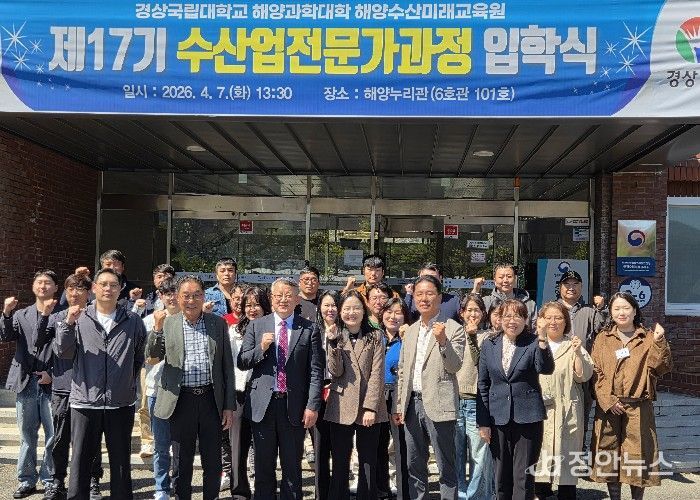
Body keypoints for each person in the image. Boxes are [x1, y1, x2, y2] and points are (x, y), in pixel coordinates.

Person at [55, 267, 147, 500]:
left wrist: (126, 381)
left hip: (120, 403)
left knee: (121, 461)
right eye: (103, 284)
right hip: (85, 402)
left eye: (113, 285)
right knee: (80, 461)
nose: (108, 289)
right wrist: (68, 324)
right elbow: (63, 353)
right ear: (94, 288)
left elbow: (138, 356)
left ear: (120, 289)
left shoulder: (133, 320)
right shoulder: (79, 317)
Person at [146, 275, 236, 500]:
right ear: (177, 297)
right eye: (186, 296)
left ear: (204, 297)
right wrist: (157, 330)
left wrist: (228, 406)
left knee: (212, 459)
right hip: (181, 399)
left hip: (210, 399)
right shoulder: (168, 323)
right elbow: (153, 357)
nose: (191, 300)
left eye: (196, 295)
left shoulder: (217, 323)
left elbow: (227, 367)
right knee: (182, 459)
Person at [238, 278, 324, 500]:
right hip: (263, 407)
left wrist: (312, 406)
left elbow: (316, 371)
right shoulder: (257, 325)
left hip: (293, 406)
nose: (283, 300)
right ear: (271, 298)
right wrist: (261, 347)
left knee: (292, 468)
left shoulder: (309, 329)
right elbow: (242, 361)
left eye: (288, 295)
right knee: (263, 467)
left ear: (297, 300)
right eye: (279, 295)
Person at [589, 292, 672, 500]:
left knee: (638, 455)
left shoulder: (647, 337)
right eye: (616, 308)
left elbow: (661, 368)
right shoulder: (603, 338)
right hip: (610, 407)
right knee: (609, 454)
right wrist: (608, 400)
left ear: (635, 311)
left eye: (626, 308)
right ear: (610, 312)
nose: (621, 312)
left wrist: (659, 341)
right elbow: (595, 371)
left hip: (638, 406)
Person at [394, 275, 466, 500]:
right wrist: (399, 405)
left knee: (446, 466)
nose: (424, 298)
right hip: (411, 405)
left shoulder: (453, 329)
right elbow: (403, 370)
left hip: (440, 404)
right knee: (414, 463)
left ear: (440, 297)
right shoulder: (410, 330)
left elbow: (454, 366)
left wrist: (443, 341)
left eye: (429, 293)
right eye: (419, 294)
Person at [476, 299, 555, 500]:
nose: (512, 321)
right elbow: (483, 384)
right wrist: (483, 422)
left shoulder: (533, 342)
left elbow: (545, 368)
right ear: (499, 319)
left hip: (528, 417)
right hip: (497, 418)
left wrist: (543, 338)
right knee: (500, 474)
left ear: (526, 319)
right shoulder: (489, 344)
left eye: (518, 316)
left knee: (523, 476)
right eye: (507, 316)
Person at [36, 272, 103, 500]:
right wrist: (45, 316)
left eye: (80, 289)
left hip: (90, 389)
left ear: (89, 292)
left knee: (91, 439)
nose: (74, 293)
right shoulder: (58, 317)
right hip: (63, 388)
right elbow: (39, 342)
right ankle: (57, 481)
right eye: (70, 289)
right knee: (60, 439)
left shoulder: (97, 317)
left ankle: (92, 480)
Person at [323, 290, 387, 499]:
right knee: (340, 459)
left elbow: (377, 373)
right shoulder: (335, 334)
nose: (351, 313)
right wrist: (333, 343)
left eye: (356, 308)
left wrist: (370, 407)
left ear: (364, 310)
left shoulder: (375, 336)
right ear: (340, 311)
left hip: (368, 403)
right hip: (341, 403)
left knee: (368, 460)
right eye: (347, 308)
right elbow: (336, 371)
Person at [1, 270, 59, 499]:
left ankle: (50, 479)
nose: (43, 286)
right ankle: (26, 480)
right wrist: (6, 313)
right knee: (27, 434)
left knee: (53, 435)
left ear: (56, 288)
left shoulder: (62, 315)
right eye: (39, 282)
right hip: (25, 381)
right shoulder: (21, 314)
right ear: (33, 286)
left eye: (48, 283)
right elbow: (6, 336)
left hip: (51, 383)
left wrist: (52, 374)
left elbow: (66, 351)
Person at [533, 301, 594, 500]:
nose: (553, 322)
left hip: (567, 407)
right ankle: (541, 491)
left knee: (568, 454)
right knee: (541, 453)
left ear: (566, 322)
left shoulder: (572, 344)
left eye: (558, 318)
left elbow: (583, 376)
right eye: (548, 317)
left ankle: (567, 493)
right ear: (540, 321)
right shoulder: (532, 345)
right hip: (540, 408)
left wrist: (577, 353)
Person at [228, 286, 272, 500]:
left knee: (264, 445)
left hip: (264, 394)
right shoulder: (234, 331)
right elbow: (230, 364)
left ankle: (263, 488)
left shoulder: (273, 330)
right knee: (238, 446)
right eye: (248, 305)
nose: (252, 309)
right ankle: (239, 491)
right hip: (240, 392)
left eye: (256, 304)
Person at [556, 269, 606, 441]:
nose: (571, 287)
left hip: (582, 371)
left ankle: (579, 447)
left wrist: (601, 308)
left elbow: (602, 328)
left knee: (581, 413)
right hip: (557, 370)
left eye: (575, 284)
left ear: (581, 287)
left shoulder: (589, 311)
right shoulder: (553, 309)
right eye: (567, 284)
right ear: (560, 287)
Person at [143, 279, 180, 500]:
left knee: (181, 444)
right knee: (161, 444)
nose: (172, 297)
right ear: (160, 295)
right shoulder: (149, 321)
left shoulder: (188, 319)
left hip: (183, 390)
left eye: (175, 292)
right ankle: (161, 487)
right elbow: (147, 357)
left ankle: (179, 484)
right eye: (167, 293)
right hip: (157, 390)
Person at [454, 293, 494, 500]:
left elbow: (480, 362)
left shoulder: (488, 337)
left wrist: (472, 336)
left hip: (475, 401)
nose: (472, 314)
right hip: (453, 400)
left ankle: (475, 495)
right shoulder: (452, 333)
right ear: (461, 313)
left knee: (478, 455)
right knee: (456, 454)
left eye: (477, 310)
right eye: (468, 310)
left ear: (483, 314)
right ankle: (459, 494)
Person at [379, 297, 410, 500]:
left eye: (398, 312)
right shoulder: (375, 337)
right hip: (377, 395)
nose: (393, 316)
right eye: (389, 312)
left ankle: (403, 492)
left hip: (399, 394)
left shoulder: (408, 337)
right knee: (378, 445)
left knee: (401, 447)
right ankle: (381, 490)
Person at [313, 290, 340, 500]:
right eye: (326, 305)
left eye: (334, 305)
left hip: (340, 392)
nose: (330, 309)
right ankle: (321, 494)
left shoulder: (346, 331)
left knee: (340, 447)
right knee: (320, 447)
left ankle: (338, 492)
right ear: (319, 307)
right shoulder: (312, 330)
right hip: (317, 391)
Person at [477, 264, 537, 328]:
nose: (505, 280)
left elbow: (535, 329)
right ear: (495, 280)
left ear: (515, 279)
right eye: (501, 277)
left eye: (509, 276)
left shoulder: (529, 304)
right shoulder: (485, 302)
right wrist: (476, 289)